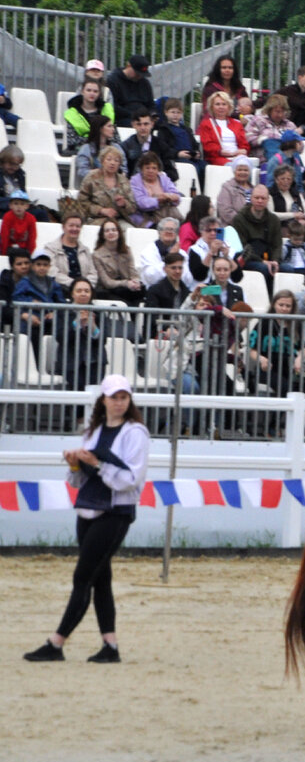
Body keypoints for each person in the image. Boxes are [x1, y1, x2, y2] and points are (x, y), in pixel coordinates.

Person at [23, 374, 149, 663]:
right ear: (103, 400)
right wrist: (75, 464)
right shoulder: (93, 431)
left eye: (123, 397)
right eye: (114, 397)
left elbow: (131, 480)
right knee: (100, 578)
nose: (119, 402)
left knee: (83, 575)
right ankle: (110, 646)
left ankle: (56, 642)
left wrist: (98, 464)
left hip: (115, 511)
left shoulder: (135, 433)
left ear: (129, 401)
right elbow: (78, 481)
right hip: (89, 507)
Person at [247, 290, 304, 406]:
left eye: (288, 306)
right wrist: (261, 359)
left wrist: (299, 359)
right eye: (281, 305)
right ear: (274, 304)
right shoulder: (264, 323)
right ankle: (278, 423)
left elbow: (302, 348)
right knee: (285, 388)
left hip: (289, 367)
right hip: (267, 369)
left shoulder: (296, 324)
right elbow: (252, 350)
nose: (284, 308)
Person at [54, 278, 108, 391]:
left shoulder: (99, 312)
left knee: (94, 394)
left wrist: (93, 326)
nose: (83, 293)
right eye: (79, 291)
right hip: (71, 362)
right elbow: (61, 337)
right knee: (76, 394)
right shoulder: (63, 311)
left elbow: (103, 340)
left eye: (87, 291)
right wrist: (76, 323)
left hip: (95, 362)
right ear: (72, 294)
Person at [232, 184, 283, 286]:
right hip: (247, 259)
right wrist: (262, 262)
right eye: (257, 198)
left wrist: (275, 261)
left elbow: (277, 245)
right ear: (251, 198)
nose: (260, 201)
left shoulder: (274, 220)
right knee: (263, 268)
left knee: (288, 269)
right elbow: (241, 247)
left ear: (268, 200)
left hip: (268, 258)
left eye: (263, 198)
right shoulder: (239, 219)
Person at [14, 248, 66, 342]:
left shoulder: (53, 283)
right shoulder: (25, 282)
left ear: (49, 266)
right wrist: (31, 302)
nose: (42, 268)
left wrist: (54, 313)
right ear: (32, 266)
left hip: (48, 320)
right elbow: (16, 298)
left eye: (45, 265)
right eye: (38, 264)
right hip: (30, 320)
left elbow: (61, 302)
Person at [78, 146, 136, 227]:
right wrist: (101, 210)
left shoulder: (124, 180)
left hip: (118, 220)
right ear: (102, 161)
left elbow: (133, 207)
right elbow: (82, 202)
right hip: (96, 219)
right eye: (109, 159)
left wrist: (124, 204)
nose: (112, 163)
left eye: (116, 161)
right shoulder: (91, 177)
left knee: (129, 230)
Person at [92, 219, 143, 306]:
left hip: (127, 288)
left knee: (142, 295)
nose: (111, 233)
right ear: (103, 235)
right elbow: (106, 282)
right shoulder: (96, 255)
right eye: (107, 231)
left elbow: (133, 272)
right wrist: (126, 283)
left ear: (119, 232)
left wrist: (136, 281)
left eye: (114, 230)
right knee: (126, 304)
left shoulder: (127, 250)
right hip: (109, 290)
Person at [120, 108, 177, 181]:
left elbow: (173, 173)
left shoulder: (161, 145)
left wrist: (160, 175)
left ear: (152, 124)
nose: (143, 128)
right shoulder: (126, 146)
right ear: (133, 125)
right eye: (139, 124)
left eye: (146, 124)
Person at [129, 152, 183, 229]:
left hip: (168, 215)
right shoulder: (135, 181)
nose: (151, 171)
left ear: (158, 169)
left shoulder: (163, 178)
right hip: (146, 217)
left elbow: (176, 195)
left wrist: (173, 197)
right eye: (147, 168)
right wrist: (157, 200)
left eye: (154, 168)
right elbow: (140, 202)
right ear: (141, 169)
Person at [44, 213, 98, 289]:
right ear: (63, 227)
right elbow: (52, 272)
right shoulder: (50, 248)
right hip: (61, 288)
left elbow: (93, 273)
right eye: (71, 225)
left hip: (84, 290)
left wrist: (86, 285)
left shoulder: (85, 250)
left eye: (78, 226)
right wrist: (75, 284)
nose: (74, 229)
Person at [160, 98, 204, 187]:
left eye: (178, 112)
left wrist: (196, 153)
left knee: (205, 166)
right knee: (194, 168)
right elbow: (164, 148)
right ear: (166, 112)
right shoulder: (164, 129)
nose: (175, 115)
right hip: (176, 158)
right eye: (173, 112)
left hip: (191, 157)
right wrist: (178, 154)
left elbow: (194, 144)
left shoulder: (186, 130)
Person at [63, 79, 115, 153]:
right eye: (88, 90)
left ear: (99, 93)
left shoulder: (107, 110)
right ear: (82, 92)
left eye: (95, 91)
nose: (92, 93)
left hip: (106, 152)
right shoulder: (72, 113)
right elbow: (72, 140)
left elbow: (115, 138)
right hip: (81, 151)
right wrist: (99, 138)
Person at [246, 95, 300, 165]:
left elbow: (299, 144)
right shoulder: (258, 120)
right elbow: (248, 137)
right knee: (270, 142)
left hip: (289, 159)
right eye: (277, 112)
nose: (280, 115)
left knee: (291, 147)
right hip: (265, 160)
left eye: (283, 112)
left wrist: (298, 145)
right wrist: (261, 140)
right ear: (269, 110)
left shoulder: (290, 125)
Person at [74, 114, 126, 186]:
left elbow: (124, 169)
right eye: (109, 126)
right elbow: (82, 172)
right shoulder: (86, 149)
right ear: (100, 128)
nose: (113, 129)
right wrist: (102, 174)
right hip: (93, 185)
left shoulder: (116, 147)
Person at [199, 92, 249, 165]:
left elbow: (244, 144)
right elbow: (208, 145)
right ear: (212, 107)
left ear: (229, 107)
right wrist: (221, 151)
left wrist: (243, 150)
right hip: (218, 157)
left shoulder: (237, 123)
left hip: (238, 156)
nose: (221, 107)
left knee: (247, 166)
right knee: (237, 167)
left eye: (224, 104)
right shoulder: (206, 124)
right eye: (217, 104)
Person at [106, 54, 155, 126]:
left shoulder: (144, 83)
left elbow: (151, 104)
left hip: (144, 117)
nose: (139, 76)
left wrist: (153, 114)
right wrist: (134, 115)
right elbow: (113, 106)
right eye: (137, 73)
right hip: (123, 118)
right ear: (128, 66)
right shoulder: (113, 81)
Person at [267, 164, 305, 230]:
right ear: (276, 180)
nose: (286, 181)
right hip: (280, 226)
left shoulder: (296, 193)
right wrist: (294, 215)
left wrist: (302, 218)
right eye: (282, 179)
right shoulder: (270, 193)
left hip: (298, 226)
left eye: (289, 179)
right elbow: (271, 214)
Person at [216, 156, 254, 226]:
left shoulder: (254, 189)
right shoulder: (227, 187)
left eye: (245, 170)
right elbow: (225, 211)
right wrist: (244, 223)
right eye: (239, 170)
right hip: (232, 227)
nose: (242, 172)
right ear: (234, 171)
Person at [1, 189, 37, 255]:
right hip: (9, 248)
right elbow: (4, 237)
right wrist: (3, 254)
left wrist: (30, 253)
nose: (19, 206)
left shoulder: (31, 218)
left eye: (22, 204)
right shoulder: (7, 217)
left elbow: (32, 237)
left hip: (24, 249)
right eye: (16, 203)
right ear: (10, 205)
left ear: (27, 206)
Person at [0, 248, 30, 326]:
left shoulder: (36, 280)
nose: (24, 266)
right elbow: (3, 308)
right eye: (19, 264)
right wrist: (21, 315)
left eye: (26, 263)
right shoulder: (3, 283)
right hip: (7, 325)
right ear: (12, 266)